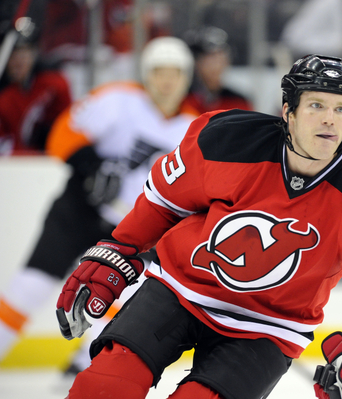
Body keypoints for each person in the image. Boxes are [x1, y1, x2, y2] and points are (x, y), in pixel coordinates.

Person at [55, 54, 342, 399]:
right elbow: (165, 202)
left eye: (341, 109)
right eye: (317, 106)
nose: (330, 119)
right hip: (179, 291)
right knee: (104, 386)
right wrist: (121, 249)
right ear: (288, 112)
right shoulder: (226, 141)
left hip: (268, 328)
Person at [0, 36, 197, 373]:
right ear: (146, 75)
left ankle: (83, 364)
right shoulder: (118, 99)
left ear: (187, 77)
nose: (166, 80)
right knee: (30, 287)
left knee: (118, 297)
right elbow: (62, 135)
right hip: (79, 209)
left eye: (175, 72)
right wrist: (94, 168)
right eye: (159, 71)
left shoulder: (193, 128)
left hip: (132, 228)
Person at [0, 18, 72, 155]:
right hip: (19, 165)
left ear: (34, 56)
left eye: (23, 55)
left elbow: (69, 125)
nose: (17, 62)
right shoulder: (5, 99)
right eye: (13, 56)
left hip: (50, 161)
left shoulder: (54, 85)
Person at [182, 26, 253, 114]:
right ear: (197, 63)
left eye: (222, 58)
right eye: (211, 58)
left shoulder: (239, 102)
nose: (217, 65)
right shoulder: (182, 101)